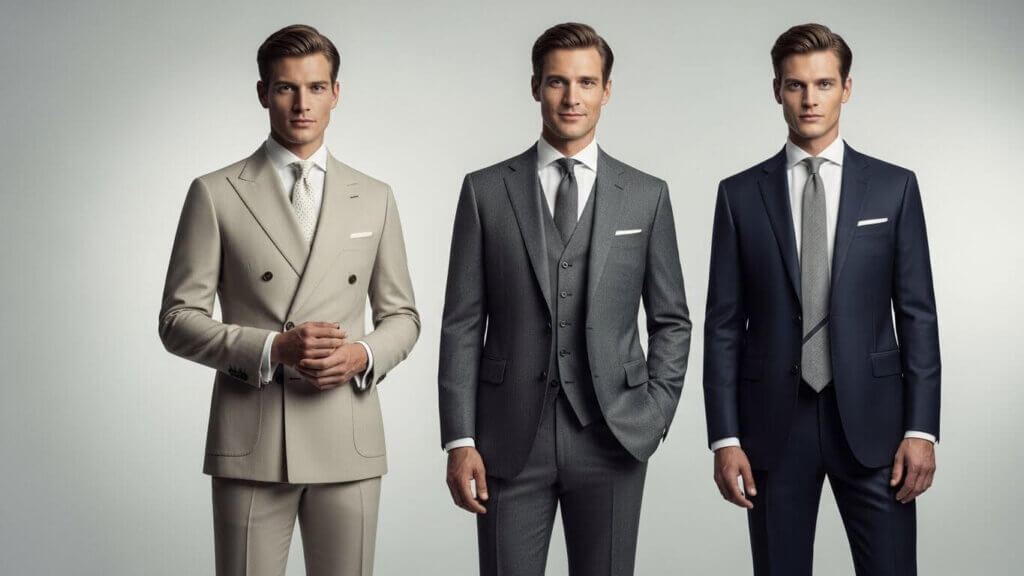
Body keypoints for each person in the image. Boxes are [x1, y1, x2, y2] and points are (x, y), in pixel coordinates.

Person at [158, 24, 419, 576]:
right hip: (252, 438)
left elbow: (402, 315)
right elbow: (178, 320)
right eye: (285, 88)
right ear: (262, 93)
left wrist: (363, 356)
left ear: (336, 93)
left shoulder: (375, 197)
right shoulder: (216, 192)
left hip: (346, 434)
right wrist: (273, 348)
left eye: (316, 88)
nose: (302, 104)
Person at [438, 22, 691, 576]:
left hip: (614, 437)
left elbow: (672, 320)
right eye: (557, 81)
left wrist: (653, 415)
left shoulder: (646, 197)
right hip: (506, 439)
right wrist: (460, 439)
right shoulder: (485, 191)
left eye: (586, 82)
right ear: (535, 86)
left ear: (606, 90)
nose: (571, 97)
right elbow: (461, 324)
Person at [704, 23, 940, 575]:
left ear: (847, 88)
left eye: (824, 84)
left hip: (877, 424)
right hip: (771, 427)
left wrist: (920, 429)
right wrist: (725, 436)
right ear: (777, 90)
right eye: (796, 85)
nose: (810, 99)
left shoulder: (893, 187)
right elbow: (722, 325)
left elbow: (918, 314)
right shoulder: (739, 195)